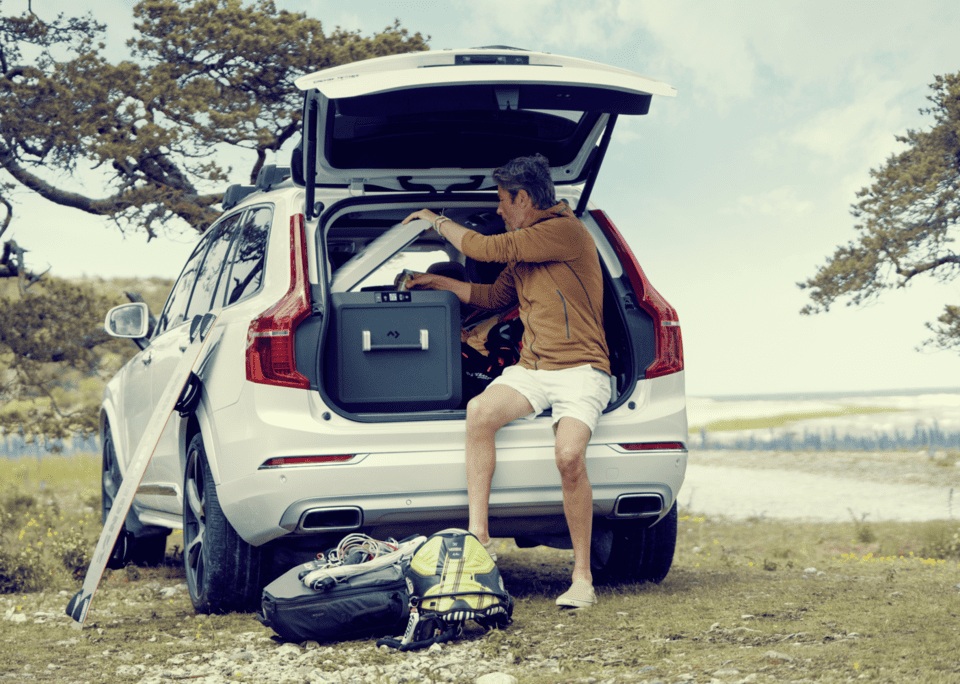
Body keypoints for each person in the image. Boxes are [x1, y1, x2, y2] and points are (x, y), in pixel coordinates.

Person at [401, 153, 611, 609]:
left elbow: (482, 249)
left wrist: (437, 221)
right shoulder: (525, 245)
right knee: (480, 412)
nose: (499, 210)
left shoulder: (564, 231)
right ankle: (480, 535)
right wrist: (436, 281)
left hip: (581, 370)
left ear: (524, 197)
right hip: (534, 369)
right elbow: (492, 295)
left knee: (569, 455)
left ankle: (581, 577)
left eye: (502, 200)